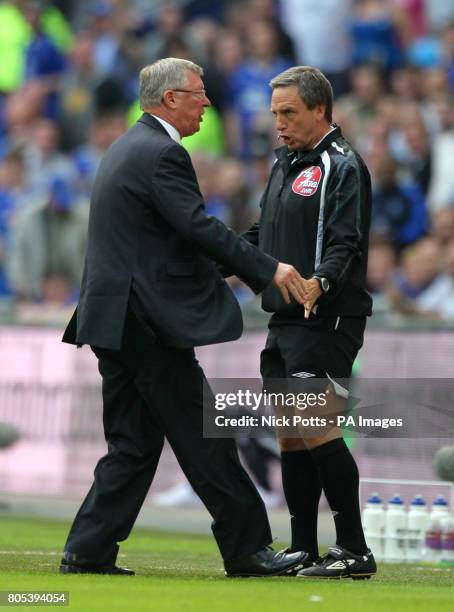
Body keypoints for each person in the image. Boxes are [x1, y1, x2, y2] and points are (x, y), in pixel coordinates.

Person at [59, 57, 306, 578]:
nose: (207, 102)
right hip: (145, 322)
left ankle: (88, 548)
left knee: (133, 442)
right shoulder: (162, 153)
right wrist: (266, 269)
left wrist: (237, 263)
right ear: (170, 99)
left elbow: (161, 246)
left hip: (114, 318)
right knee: (204, 434)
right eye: (198, 92)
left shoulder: (129, 147)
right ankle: (248, 548)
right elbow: (196, 228)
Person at [243, 66, 377, 579]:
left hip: (329, 317)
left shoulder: (343, 165)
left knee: (316, 426)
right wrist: (218, 262)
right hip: (284, 318)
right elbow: (262, 233)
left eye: (289, 112)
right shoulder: (283, 164)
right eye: (275, 113)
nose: (278, 123)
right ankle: (303, 549)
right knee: (290, 434)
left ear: (320, 109)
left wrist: (320, 281)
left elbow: (348, 240)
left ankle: (355, 549)